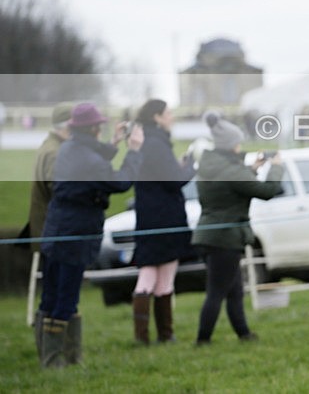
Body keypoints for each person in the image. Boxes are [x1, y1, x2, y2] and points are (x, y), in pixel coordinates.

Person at [38, 103, 143, 368]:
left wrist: (115, 142)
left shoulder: (70, 148)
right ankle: (56, 361)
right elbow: (119, 182)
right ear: (93, 128)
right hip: (76, 234)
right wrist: (133, 151)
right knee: (67, 298)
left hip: (56, 230)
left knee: (51, 295)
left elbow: (95, 159)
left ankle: (61, 358)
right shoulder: (87, 158)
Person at [192, 111, 284, 345]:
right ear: (230, 145)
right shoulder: (231, 171)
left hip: (211, 236)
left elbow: (232, 185)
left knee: (234, 291)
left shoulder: (212, 165)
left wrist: (253, 168)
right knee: (216, 293)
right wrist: (275, 167)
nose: (240, 145)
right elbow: (267, 191)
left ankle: (244, 334)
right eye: (238, 142)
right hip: (224, 239)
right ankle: (202, 340)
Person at [131, 99, 196, 344]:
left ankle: (153, 336)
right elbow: (174, 181)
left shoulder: (144, 141)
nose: (172, 117)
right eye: (168, 113)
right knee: (157, 276)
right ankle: (160, 335)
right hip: (164, 218)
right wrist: (190, 167)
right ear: (157, 117)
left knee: (152, 274)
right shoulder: (157, 143)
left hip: (148, 218)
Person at [23, 102, 73, 361]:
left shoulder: (51, 146)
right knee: (55, 295)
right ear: (67, 127)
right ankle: (53, 357)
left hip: (48, 232)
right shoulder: (55, 153)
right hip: (53, 234)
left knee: (52, 295)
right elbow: (61, 191)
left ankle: (52, 354)